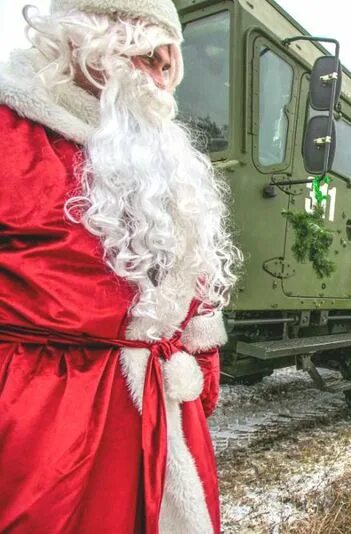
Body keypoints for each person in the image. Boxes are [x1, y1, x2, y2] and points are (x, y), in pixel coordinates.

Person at [0, 0, 241, 532]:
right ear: (87, 42)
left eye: (167, 65)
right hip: (45, 433)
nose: (159, 81)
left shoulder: (164, 156)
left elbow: (194, 286)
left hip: (162, 416)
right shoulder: (12, 135)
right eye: (146, 58)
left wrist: (200, 370)